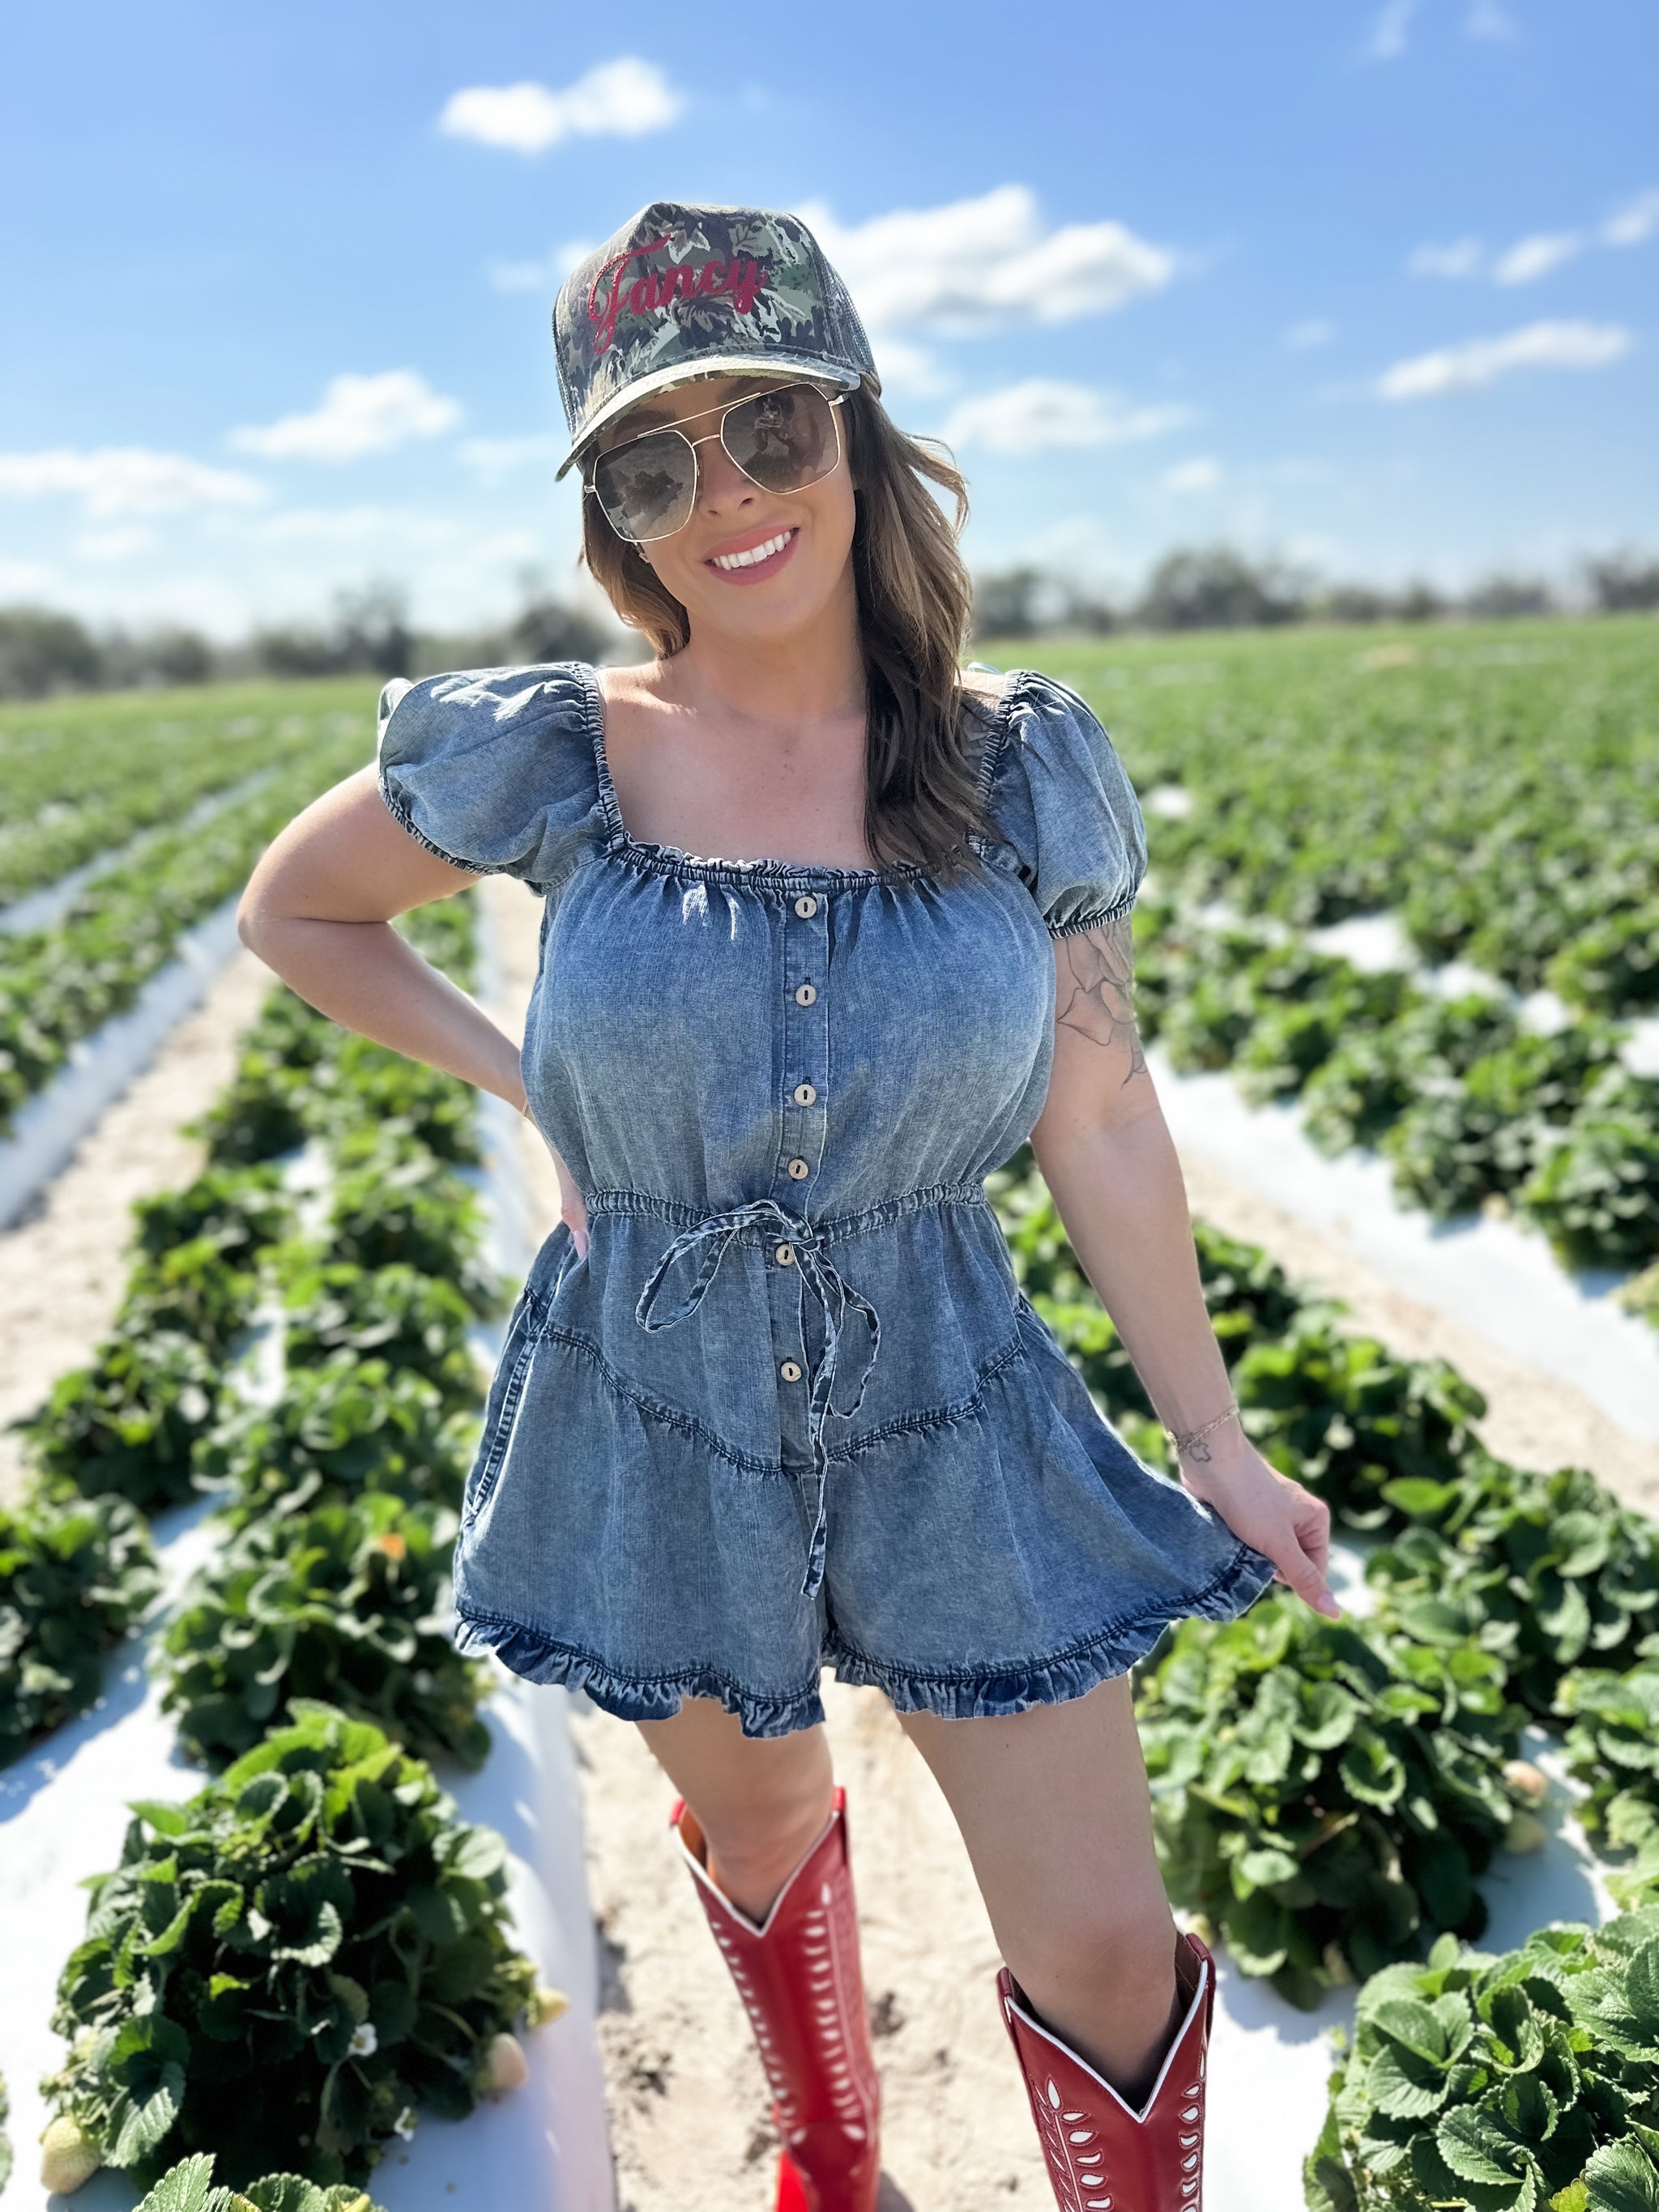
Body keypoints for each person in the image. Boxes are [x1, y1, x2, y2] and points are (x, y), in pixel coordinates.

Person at [240, 201, 1337, 2212]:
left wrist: (1215, 1442)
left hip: (953, 1391)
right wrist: (530, 1081)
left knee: (1106, 1946)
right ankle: (833, 2165)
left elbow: (1099, 1111)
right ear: (612, 519)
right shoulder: (560, 752)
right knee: (759, 1827)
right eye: (650, 464)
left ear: (854, 427)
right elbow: (295, 910)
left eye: (766, 426)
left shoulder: (1016, 763)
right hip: (652, 1399)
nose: (725, 495)